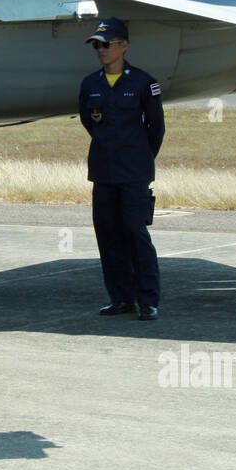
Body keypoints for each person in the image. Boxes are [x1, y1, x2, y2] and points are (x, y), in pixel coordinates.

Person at [78, 17, 165, 319]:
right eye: (97, 45)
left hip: (134, 173)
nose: (101, 50)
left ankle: (148, 300)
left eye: (106, 44)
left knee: (135, 233)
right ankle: (120, 298)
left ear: (124, 45)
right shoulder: (90, 84)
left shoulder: (143, 83)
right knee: (108, 234)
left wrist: (139, 157)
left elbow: (156, 129)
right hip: (103, 172)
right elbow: (90, 122)